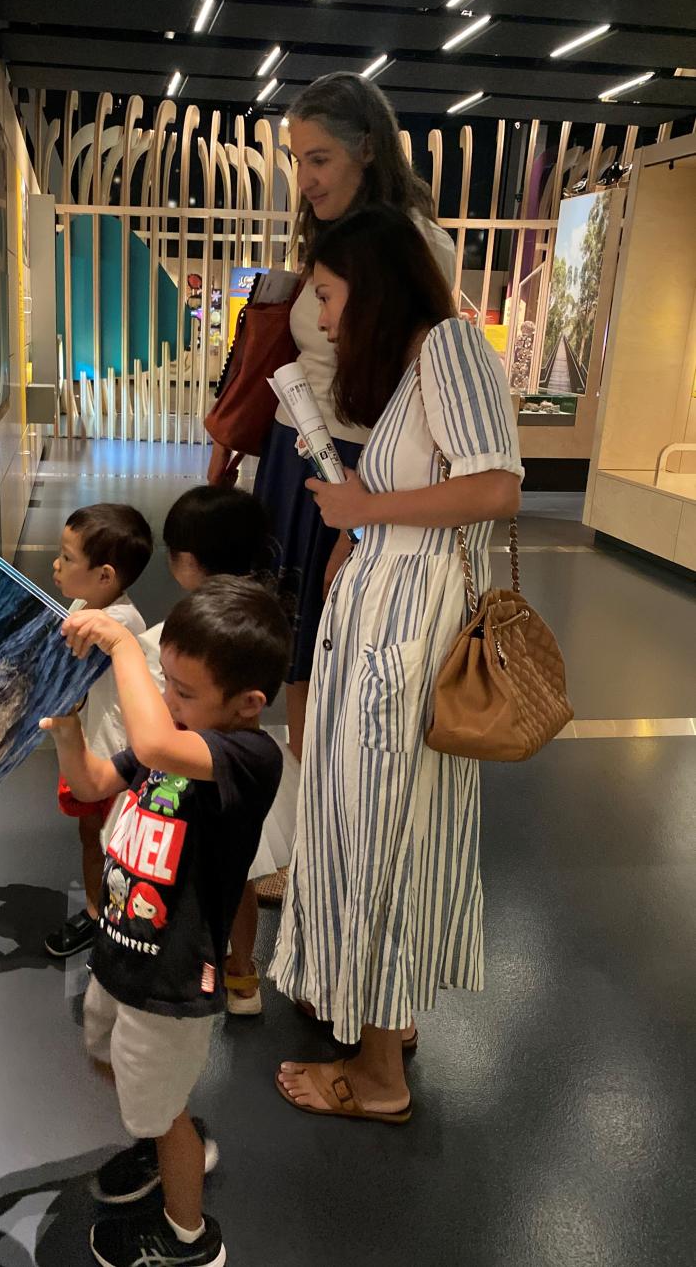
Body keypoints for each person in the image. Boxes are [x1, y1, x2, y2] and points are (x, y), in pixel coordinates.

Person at [269, 206, 523, 1122]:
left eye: (331, 295)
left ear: (371, 286)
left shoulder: (450, 345)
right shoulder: (424, 366)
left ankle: (378, 1076)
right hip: (384, 631)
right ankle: (385, 1017)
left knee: (379, 832)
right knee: (379, 827)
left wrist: (362, 514)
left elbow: (495, 485)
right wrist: (358, 526)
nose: (326, 318)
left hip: (404, 643)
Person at [208, 74, 457, 865]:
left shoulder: (415, 242)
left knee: (343, 648)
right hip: (293, 447)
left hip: (362, 464)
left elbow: (423, 379)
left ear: (367, 149)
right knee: (292, 644)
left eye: (319, 158)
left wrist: (375, 498)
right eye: (297, 160)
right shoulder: (329, 237)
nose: (306, 178)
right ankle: (296, 834)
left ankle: (326, 840)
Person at [41, 576, 290, 1267]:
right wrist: (66, 736)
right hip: (121, 954)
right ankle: (162, 1136)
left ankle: (187, 1237)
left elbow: (150, 746)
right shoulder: (176, 739)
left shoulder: (246, 756)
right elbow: (95, 782)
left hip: (175, 975)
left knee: (162, 1111)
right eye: (166, 685)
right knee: (107, 1056)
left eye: (182, 690)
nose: (168, 702)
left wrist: (123, 643)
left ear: (247, 704)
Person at [138, 485, 282, 1015]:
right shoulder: (256, 609)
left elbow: (154, 730)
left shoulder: (185, 632)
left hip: (198, 772)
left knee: (196, 877)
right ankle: (243, 975)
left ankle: (188, 963)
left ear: (186, 559)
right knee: (242, 873)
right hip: (246, 767)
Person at [44, 503, 153, 958]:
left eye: (67, 558)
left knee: (109, 842)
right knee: (93, 836)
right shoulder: (87, 609)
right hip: (91, 748)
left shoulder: (112, 623)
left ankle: (107, 919)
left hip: (112, 757)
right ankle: (98, 912)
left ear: (105, 576)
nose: (56, 564)